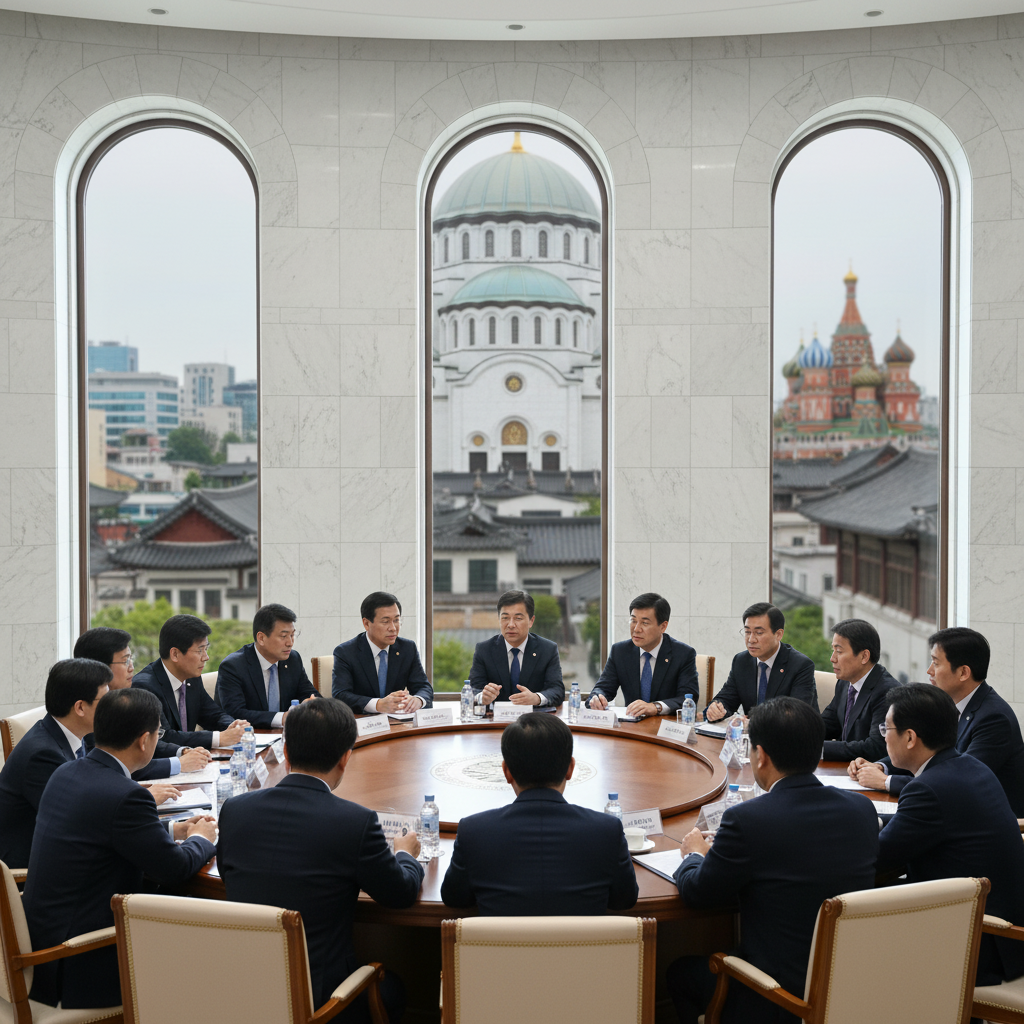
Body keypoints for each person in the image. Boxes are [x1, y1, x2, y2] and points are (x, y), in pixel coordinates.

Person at [666, 697, 878, 1024]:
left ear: (761, 756)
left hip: (777, 997)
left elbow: (697, 893)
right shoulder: (861, 810)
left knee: (680, 973)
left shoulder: (748, 820)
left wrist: (695, 853)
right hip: (848, 986)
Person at [218, 698, 423, 1020]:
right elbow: (400, 894)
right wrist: (404, 854)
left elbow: (229, 876)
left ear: (286, 752)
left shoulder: (234, 810)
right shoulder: (354, 823)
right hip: (320, 1001)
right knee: (392, 989)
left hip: (240, 989)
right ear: (345, 758)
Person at [23, 688, 217, 1009]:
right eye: (158, 734)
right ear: (144, 741)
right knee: (206, 944)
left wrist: (175, 829)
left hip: (44, 950)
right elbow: (174, 869)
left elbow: (106, 833)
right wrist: (202, 838)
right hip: (81, 962)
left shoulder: (67, 771)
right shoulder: (127, 794)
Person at [876, 683, 1024, 987]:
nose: (883, 736)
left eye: (886, 728)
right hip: (1003, 936)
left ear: (910, 738)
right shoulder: (970, 767)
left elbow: (877, 857)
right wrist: (875, 820)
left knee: (852, 919)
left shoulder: (927, 789)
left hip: (976, 942)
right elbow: (922, 825)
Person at [440, 713, 638, 915]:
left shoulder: (474, 832)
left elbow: (455, 899)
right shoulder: (607, 831)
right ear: (570, 769)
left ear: (506, 772)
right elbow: (624, 900)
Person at [849, 627, 1024, 816]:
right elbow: (924, 751)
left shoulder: (994, 719)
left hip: (981, 818)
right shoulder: (947, 704)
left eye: (936, 663)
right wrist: (879, 767)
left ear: (963, 672)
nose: (929, 671)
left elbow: (959, 781)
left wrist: (886, 781)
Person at [0, 659, 110, 868]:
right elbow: (80, 820)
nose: (111, 708)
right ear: (80, 707)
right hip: (32, 870)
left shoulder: (76, 734)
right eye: (105, 702)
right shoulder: (42, 756)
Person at [74, 626, 210, 775]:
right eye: (125, 661)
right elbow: (113, 766)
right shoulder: (89, 709)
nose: (131, 667)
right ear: (100, 666)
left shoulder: (119, 700)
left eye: (131, 659)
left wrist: (181, 752)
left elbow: (142, 742)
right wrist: (178, 764)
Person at [134, 613, 247, 749]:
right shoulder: (144, 687)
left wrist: (232, 726)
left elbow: (213, 715)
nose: (206, 657)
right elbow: (164, 737)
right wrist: (218, 738)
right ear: (175, 654)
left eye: (206, 649)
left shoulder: (192, 678)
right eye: (200, 650)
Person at [587, 593, 698, 717]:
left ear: (663, 626)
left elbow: (688, 699)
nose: (636, 629)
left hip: (666, 725)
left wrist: (656, 706)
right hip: (632, 725)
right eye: (633, 621)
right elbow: (603, 688)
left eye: (645, 623)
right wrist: (597, 698)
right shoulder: (620, 651)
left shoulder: (683, 654)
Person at [704, 603, 817, 722]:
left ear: (778, 634)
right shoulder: (741, 661)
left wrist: (754, 723)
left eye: (759, 633)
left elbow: (796, 715)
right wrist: (716, 709)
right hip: (750, 733)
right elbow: (727, 699)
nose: (751, 640)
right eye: (747, 632)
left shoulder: (800, 665)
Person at [216, 603, 318, 727]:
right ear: (261, 638)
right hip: (248, 736)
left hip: (285, 735)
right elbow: (235, 713)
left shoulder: (293, 659)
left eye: (292, 635)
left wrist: (312, 703)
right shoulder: (233, 666)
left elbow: (309, 693)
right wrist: (282, 718)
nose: (290, 643)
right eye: (283, 636)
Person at [332, 592, 433, 714]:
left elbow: (423, 687)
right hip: (362, 721)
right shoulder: (345, 652)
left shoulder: (407, 648)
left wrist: (418, 700)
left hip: (398, 721)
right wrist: (378, 704)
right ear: (366, 623)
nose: (393, 628)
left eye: (396, 620)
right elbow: (340, 695)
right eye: (385, 621)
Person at [468, 590, 564, 708]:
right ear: (499, 619)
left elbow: (557, 690)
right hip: (496, 717)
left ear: (531, 621)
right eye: (505, 618)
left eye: (518, 618)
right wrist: (482, 697)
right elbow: (473, 689)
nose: (511, 625)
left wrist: (536, 698)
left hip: (533, 718)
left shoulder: (547, 649)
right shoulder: (484, 650)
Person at [819, 618, 898, 761]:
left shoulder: (887, 692)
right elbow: (826, 724)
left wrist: (819, 749)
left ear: (864, 656)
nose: (832, 658)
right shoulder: (844, 683)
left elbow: (875, 747)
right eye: (833, 650)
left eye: (839, 651)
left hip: (868, 770)